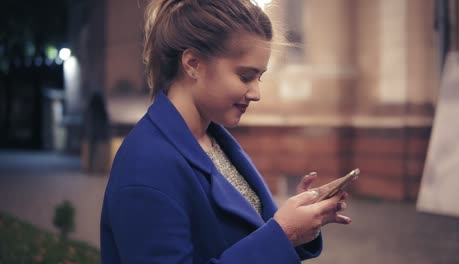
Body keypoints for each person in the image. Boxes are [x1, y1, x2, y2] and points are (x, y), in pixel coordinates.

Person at [100, 0, 356, 263]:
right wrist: (283, 234)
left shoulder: (214, 140)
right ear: (193, 63)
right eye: (246, 76)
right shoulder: (147, 164)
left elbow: (241, 236)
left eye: (260, 77)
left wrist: (299, 222)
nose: (256, 93)